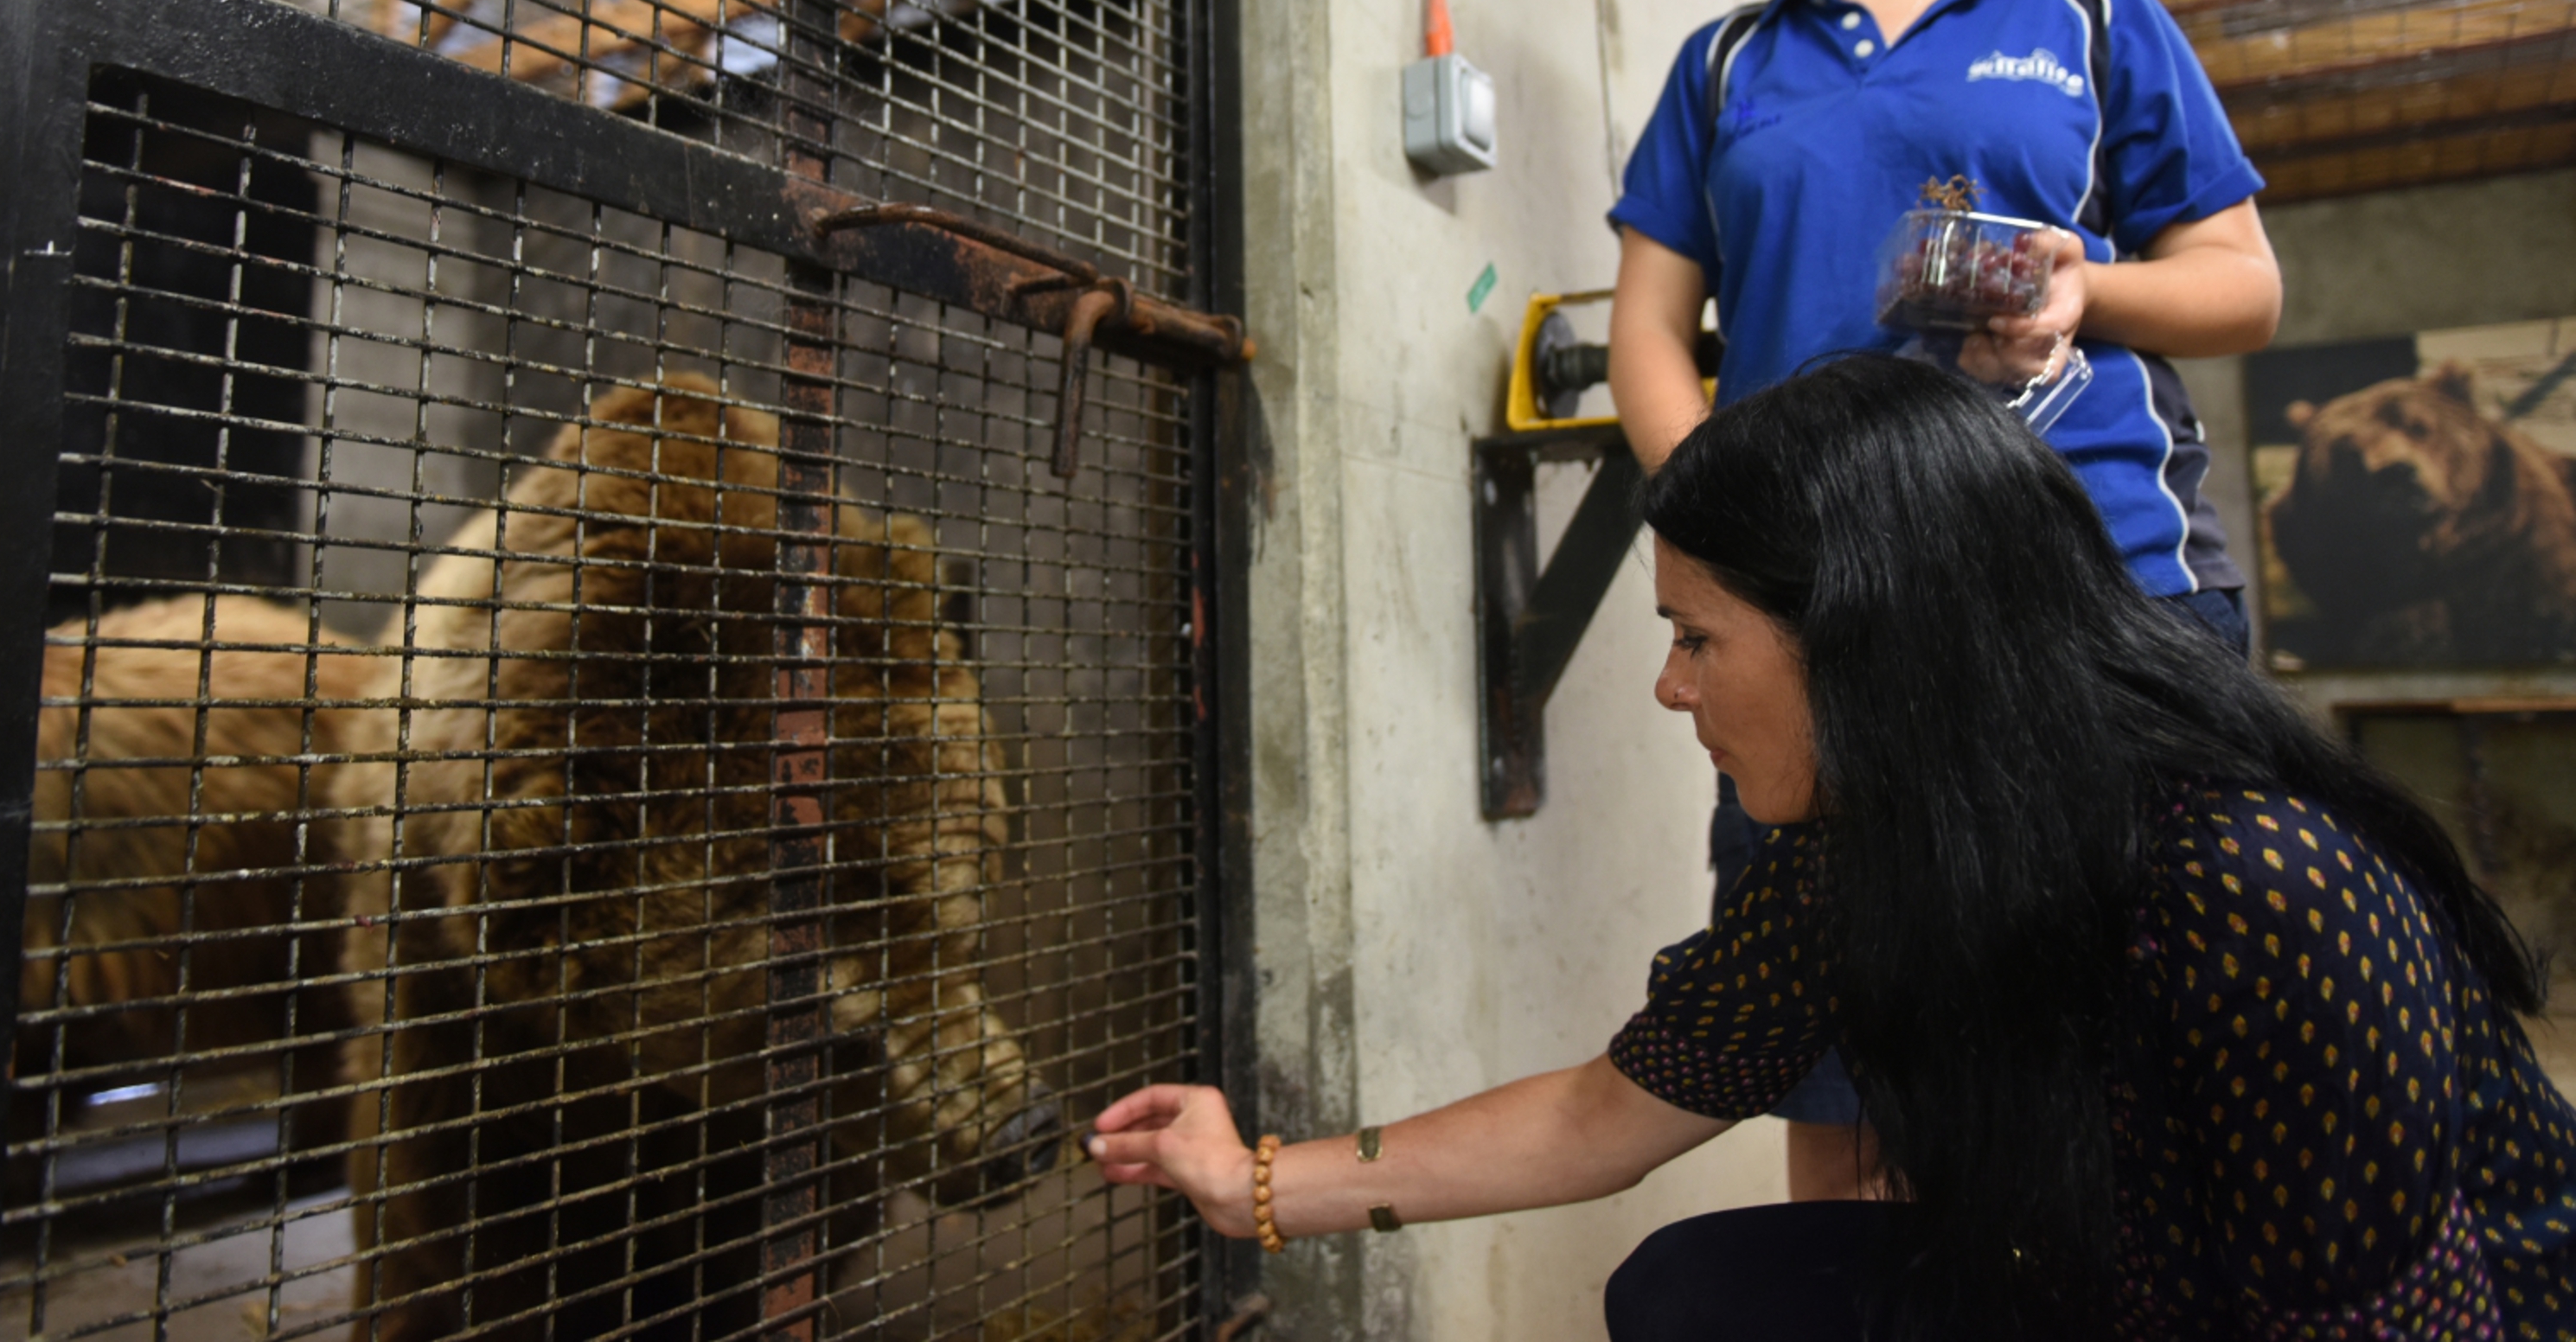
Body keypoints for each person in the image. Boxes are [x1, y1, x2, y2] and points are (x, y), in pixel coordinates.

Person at [1087, 355, 2576, 1341]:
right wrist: (1256, 1181)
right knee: (1701, 1289)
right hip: (2094, 1285)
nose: (1670, 686)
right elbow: (1611, 1114)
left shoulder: (2263, 883)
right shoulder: (1865, 844)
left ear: (1871, 643)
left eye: (1695, 639)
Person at [1604, 0, 2283, 1197]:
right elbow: (1648, 332)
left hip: (2102, 579)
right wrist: (1724, 527)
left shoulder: (2086, 11)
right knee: (1837, 1058)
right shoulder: (1727, 67)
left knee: (2126, 1033)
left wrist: (2082, 286)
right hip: (1825, 615)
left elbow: (2245, 286)